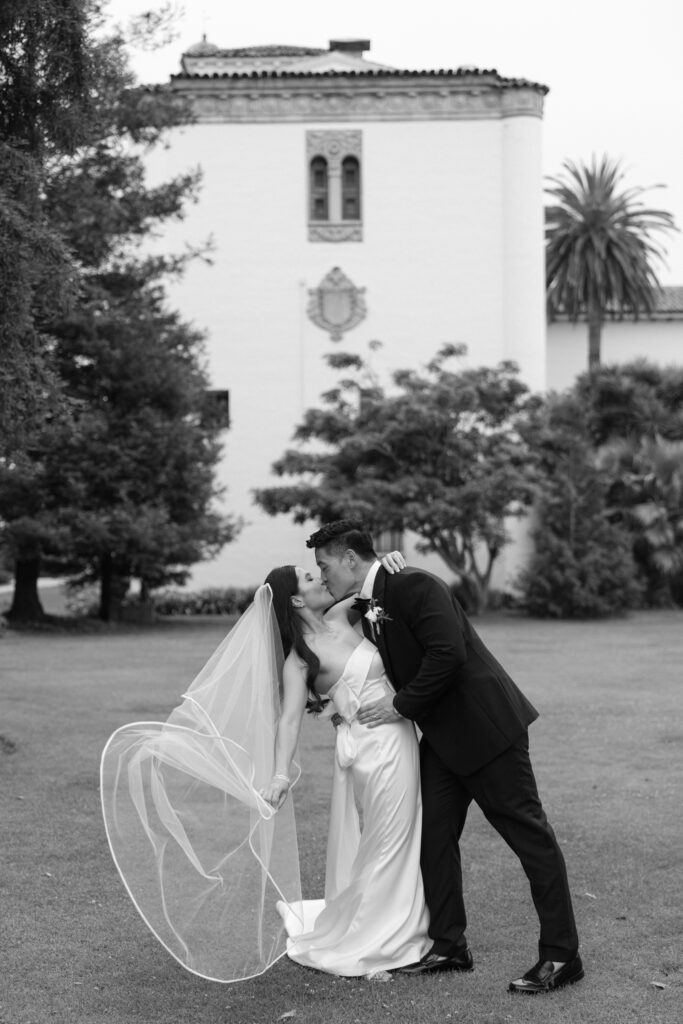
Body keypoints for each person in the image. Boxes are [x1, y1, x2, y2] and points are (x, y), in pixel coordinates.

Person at [308, 520, 583, 995]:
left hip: (487, 733)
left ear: (350, 558)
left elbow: (448, 654)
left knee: (529, 837)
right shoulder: (369, 599)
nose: (322, 574)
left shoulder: (416, 585)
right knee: (432, 836)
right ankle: (449, 944)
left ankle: (562, 955)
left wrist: (399, 704)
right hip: (440, 739)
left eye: (324, 564)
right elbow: (336, 637)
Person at [261, 563, 430, 977]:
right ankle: (380, 935)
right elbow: (288, 720)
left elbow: (379, 586)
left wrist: (388, 559)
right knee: (387, 837)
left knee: (399, 833)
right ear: (295, 599)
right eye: (307, 576)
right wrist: (280, 775)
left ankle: (395, 919)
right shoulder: (299, 662)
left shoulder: (343, 614)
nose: (319, 576)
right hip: (370, 750)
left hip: (402, 734)